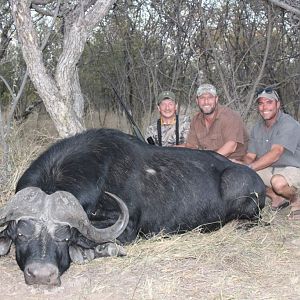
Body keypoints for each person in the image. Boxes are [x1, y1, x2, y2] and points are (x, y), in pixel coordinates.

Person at [238, 87, 300, 219]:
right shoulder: (257, 128)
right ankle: (277, 197)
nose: (264, 107)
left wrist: (249, 168)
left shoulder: (288, 123)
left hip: (293, 168)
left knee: (277, 183)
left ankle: (296, 200)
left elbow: (276, 153)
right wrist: (240, 168)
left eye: (269, 102)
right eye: (261, 103)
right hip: (270, 169)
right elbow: (250, 156)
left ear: (278, 104)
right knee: (239, 174)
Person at [185, 83, 248, 160]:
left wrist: (207, 160)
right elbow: (191, 146)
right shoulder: (196, 119)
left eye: (210, 97)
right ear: (197, 101)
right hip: (209, 162)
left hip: (234, 162)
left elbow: (231, 147)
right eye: (202, 98)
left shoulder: (229, 116)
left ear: (216, 99)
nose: (206, 102)